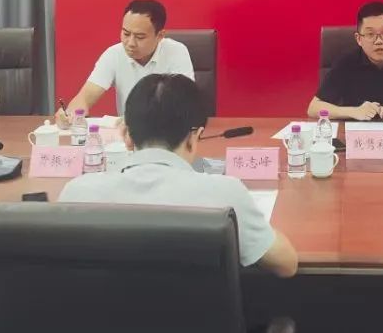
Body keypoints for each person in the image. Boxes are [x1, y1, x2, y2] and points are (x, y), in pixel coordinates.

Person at [59, 73, 298, 277]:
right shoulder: (224, 196)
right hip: (200, 320)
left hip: (100, 319)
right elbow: (286, 265)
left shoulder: (77, 194)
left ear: (127, 136)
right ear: (194, 138)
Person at [59, 0, 194, 119]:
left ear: (160, 36)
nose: (130, 43)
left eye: (140, 37)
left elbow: (184, 102)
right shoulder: (113, 54)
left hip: (166, 131)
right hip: (127, 134)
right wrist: (71, 114)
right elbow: (84, 97)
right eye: (126, 33)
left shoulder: (176, 51)